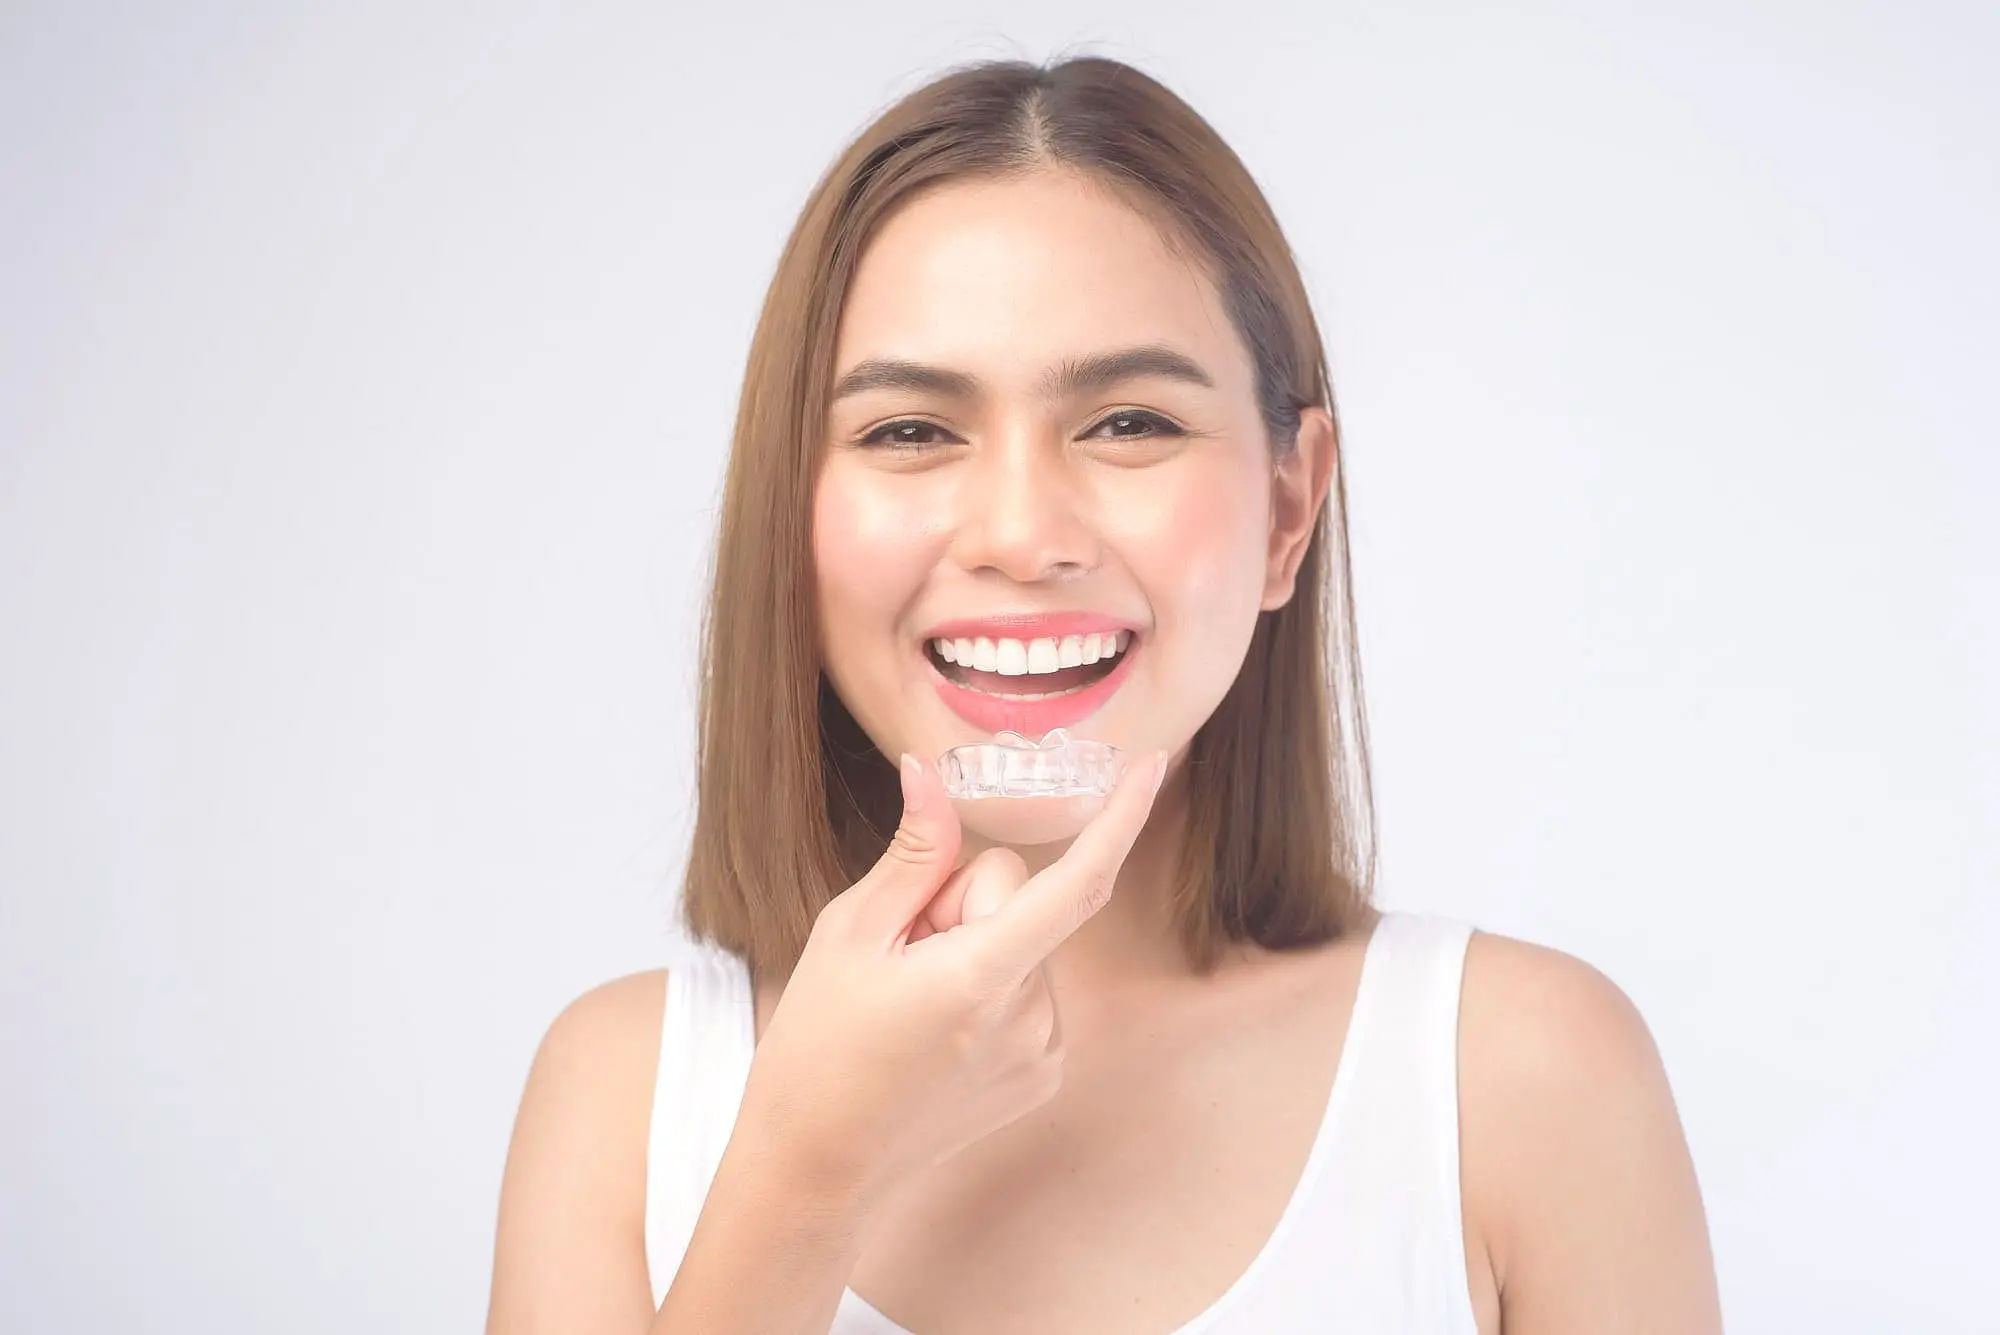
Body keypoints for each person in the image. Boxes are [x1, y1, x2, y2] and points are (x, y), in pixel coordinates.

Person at [484, 55, 1722, 1335]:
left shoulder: (1522, 1079)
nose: (1022, 535)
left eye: (1128, 422)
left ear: (1288, 508)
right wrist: (807, 1172)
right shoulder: (623, 1094)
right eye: (909, 430)